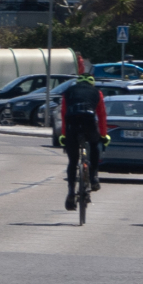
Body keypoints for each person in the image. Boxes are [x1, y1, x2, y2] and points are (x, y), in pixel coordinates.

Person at [58, 74, 108, 210]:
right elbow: (102, 115)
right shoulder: (97, 93)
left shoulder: (67, 92)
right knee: (94, 144)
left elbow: (63, 114)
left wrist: (63, 135)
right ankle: (94, 177)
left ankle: (70, 192)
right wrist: (103, 135)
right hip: (89, 123)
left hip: (71, 125)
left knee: (73, 161)